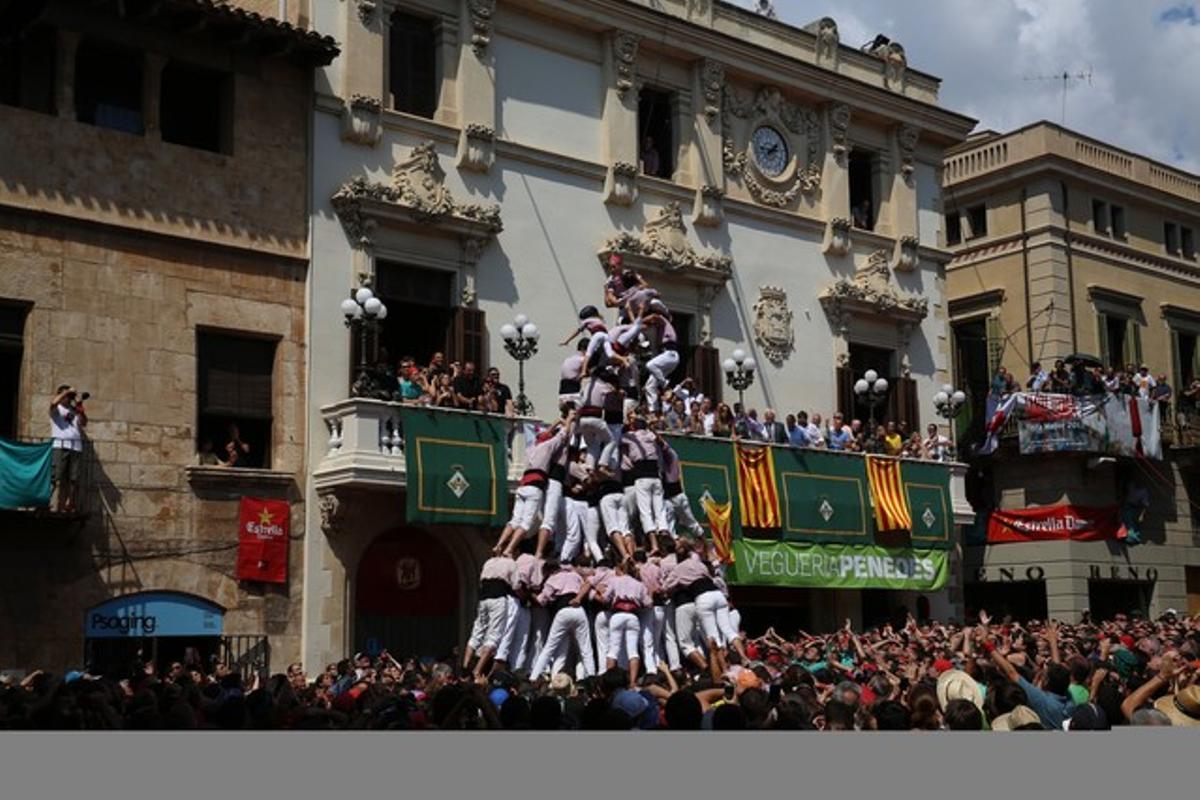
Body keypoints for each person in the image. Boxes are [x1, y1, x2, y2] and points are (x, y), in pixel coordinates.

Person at [529, 561, 596, 680]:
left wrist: (530, 593)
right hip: (579, 610)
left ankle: (534, 677)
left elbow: (541, 601)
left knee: (550, 648)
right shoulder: (575, 575)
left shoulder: (552, 579)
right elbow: (586, 584)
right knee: (586, 649)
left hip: (563, 611)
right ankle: (591, 678)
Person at [463, 554, 518, 681]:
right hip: (498, 598)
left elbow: (481, 580)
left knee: (477, 632)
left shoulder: (489, 562)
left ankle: (465, 667)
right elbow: (516, 586)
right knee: (494, 636)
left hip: (483, 599)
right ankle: (477, 670)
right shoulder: (511, 563)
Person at [49, 385, 87, 512]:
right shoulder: (56, 409)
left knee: (74, 478)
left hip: (76, 447)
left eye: (69, 397)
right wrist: (67, 391)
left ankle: (69, 503)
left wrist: (80, 407)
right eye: (66, 396)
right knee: (55, 476)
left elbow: (84, 423)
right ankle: (47, 501)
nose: (68, 398)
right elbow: (53, 403)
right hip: (60, 446)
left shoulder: (74, 410)